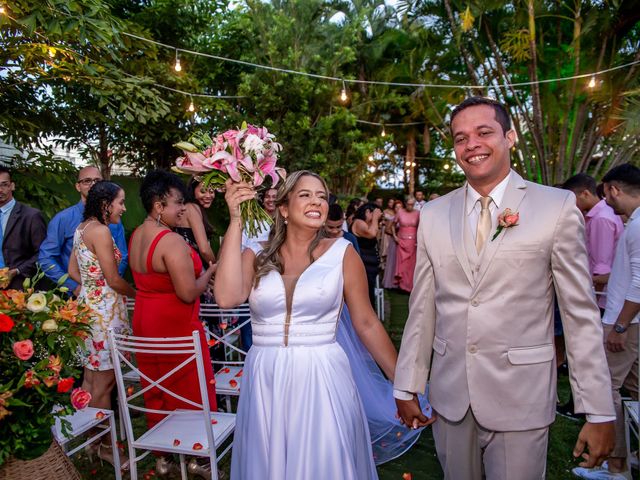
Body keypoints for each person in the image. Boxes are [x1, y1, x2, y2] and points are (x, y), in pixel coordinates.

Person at [394, 96, 615, 480]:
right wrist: (407, 385)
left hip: (521, 396)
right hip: (451, 398)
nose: (472, 144)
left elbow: (579, 316)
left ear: (510, 137)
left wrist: (598, 410)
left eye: (484, 132)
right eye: (461, 138)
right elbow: (423, 309)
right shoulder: (432, 214)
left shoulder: (556, 207)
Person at [215, 171, 403, 480]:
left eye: (321, 196)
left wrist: (403, 384)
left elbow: (367, 322)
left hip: (322, 376)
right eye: (305, 195)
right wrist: (235, 219)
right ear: (284, 209)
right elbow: (226, 297)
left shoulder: (343, 253)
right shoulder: (256, 254)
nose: (317, 201)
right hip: (266, 378)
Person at [128, 170, 217, 476]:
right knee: (190, 389)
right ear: (158, 205)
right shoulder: (172, 243)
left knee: (157, 387)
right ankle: (197, 457)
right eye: (178, 202)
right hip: (175, 326)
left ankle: (163, 458)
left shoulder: (138, 234)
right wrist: (209, 272)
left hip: (145, 322)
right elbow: (188, 291)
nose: (183, 208)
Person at [573, 163, 640, 480]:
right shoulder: (634, 222)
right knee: (636, 390)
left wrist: (620, 325)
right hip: (630, 318)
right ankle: (633, 456)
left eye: (606, 191)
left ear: (614, 188)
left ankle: (616, 466)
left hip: (624, 321)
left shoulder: (637, 225)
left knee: (607, 390)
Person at [68, 180, 135, 470]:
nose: (124, 207)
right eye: (120, 202)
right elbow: (114, 279)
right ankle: (107, 447)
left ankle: (91, 443)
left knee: (90, 380)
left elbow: (73, 270)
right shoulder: (102, 231)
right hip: (105, 315)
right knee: (106, 383)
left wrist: (92, 291)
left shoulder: (82, 229)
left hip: (88, 309)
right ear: (106, 203)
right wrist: (141, 295)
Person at [559, 173, 625, 420]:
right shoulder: (601, 217)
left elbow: (601, 269)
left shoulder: (600, 220)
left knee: (587, 354)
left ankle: (583, 408)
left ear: (584, 194)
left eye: (572, 198)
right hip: (601, 297)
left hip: (598, 298)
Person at [39, 166, 128, 296]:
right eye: (87, 181)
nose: (93, 185)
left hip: (110, 293)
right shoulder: (63, 219)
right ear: (78, 186)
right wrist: (73, 286)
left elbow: (123, 255)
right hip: (74, 295)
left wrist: (108, 284)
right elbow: (46, 258)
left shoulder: (114, 219)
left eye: (97, 181)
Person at [0, 166, 46, 290]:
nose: (0, 190)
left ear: (12, 186)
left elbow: (42, 253)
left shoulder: (31, 216)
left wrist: (16, 271)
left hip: (20, 288)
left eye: (4, 184)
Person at [174, 175, 216, 266]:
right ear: (193, 190)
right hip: (193, 270)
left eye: (212, 191)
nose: (208, 195)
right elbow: (204, 250)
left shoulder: (189, 207)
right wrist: (217, 269)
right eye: (203, 191)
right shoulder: (191, 208)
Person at [351, 203, 383, 308]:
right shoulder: (358, 222)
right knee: (366, 297)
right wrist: (375, 219)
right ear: (367, 212)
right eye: (374, 213)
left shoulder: (369, 224)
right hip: (363, 265)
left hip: (370, 266)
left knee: (369, 295)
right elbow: (372, 234)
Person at [392, 196, 420, 293]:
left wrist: (419, 239)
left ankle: (411, 286)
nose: (410, 206)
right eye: (409, 204)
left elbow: (421, 227)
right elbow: (392, 224)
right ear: (405, 203)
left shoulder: (418, 213)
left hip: (413, 242)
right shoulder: (400, 212)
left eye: (413, 204)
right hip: (401, 241)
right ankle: (402, 286)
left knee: (411, 265)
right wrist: (395, 236)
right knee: (402, 265)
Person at [382, 200, 401, 289]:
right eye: (396, 207)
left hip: (402, 241)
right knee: (393, 261)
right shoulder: (393, 218)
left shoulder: (402, 217)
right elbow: (387, 229)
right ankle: (391, 282)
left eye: (400, 207)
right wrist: (395, 234)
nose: (398, 209)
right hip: (394, 241)